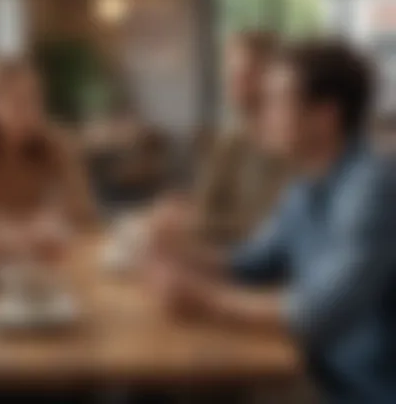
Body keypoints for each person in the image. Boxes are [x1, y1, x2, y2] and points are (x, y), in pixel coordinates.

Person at [149, 40, 396, 403]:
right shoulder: (305, 185)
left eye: (278, 100)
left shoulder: (374, 188)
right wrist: (177, 253)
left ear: (325, 115)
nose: (263, 112)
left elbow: (315, 313)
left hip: (358, 389)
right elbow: (251, 263)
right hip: (312, 368)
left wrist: (206, 300)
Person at [150, 31, 289, 264]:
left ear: (275, 78)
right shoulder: (232, 139)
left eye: (245, 71)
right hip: (222, 256)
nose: (232, 80)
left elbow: (271, 229)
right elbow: (208, 203)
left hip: (260, 269)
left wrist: (193, 224)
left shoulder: (290, 144)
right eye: (230, 70)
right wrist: (183, 208)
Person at [0, 59, 98, 261]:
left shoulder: (55, 142)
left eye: (35, 99)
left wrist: (55, 219)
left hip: (41, 260)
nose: (31, 110)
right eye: (17, 100)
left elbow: (84, 211)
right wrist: (15, 231)